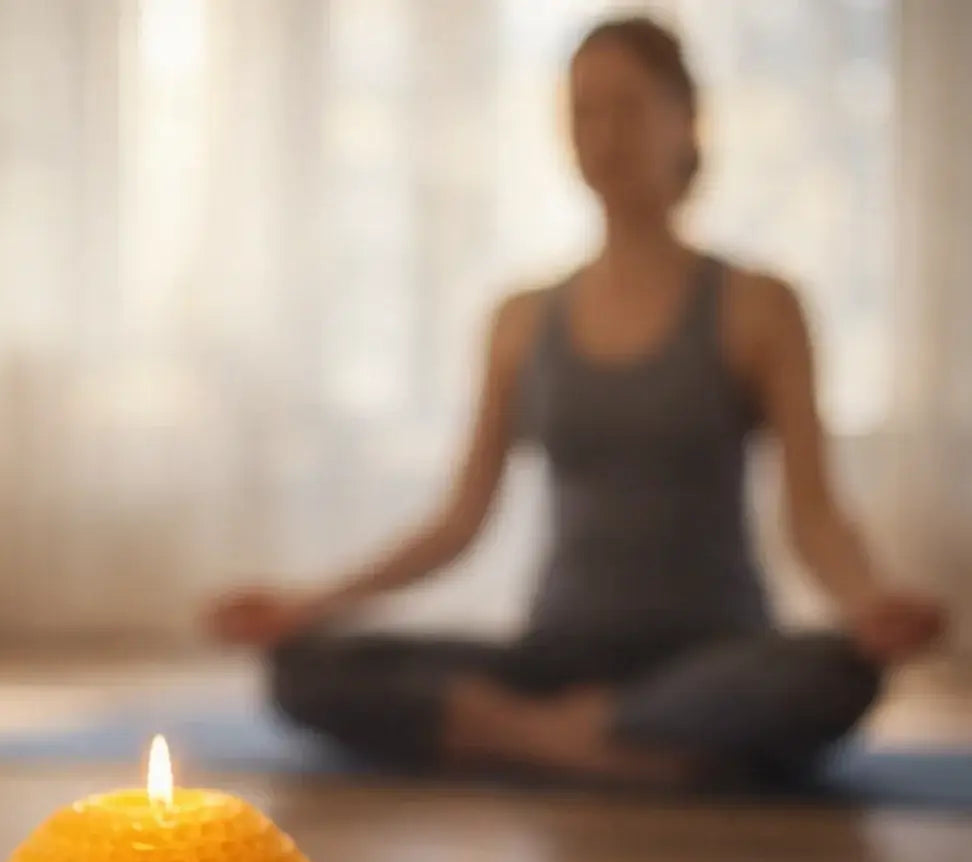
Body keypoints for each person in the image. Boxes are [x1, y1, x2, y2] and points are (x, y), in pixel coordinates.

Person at [203, 15, 946, 785]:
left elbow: (815, 515)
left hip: (713, 658)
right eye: (583, 112)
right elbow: (458, 521)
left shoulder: (759, 305)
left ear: (686, 119)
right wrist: (311, 604)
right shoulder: (521, 318)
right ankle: (609, 745)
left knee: (832, 675)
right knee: (304, 669)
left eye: (628, 108)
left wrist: (869, 606)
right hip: (556, 658)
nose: (604, 136)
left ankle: (528, 737)